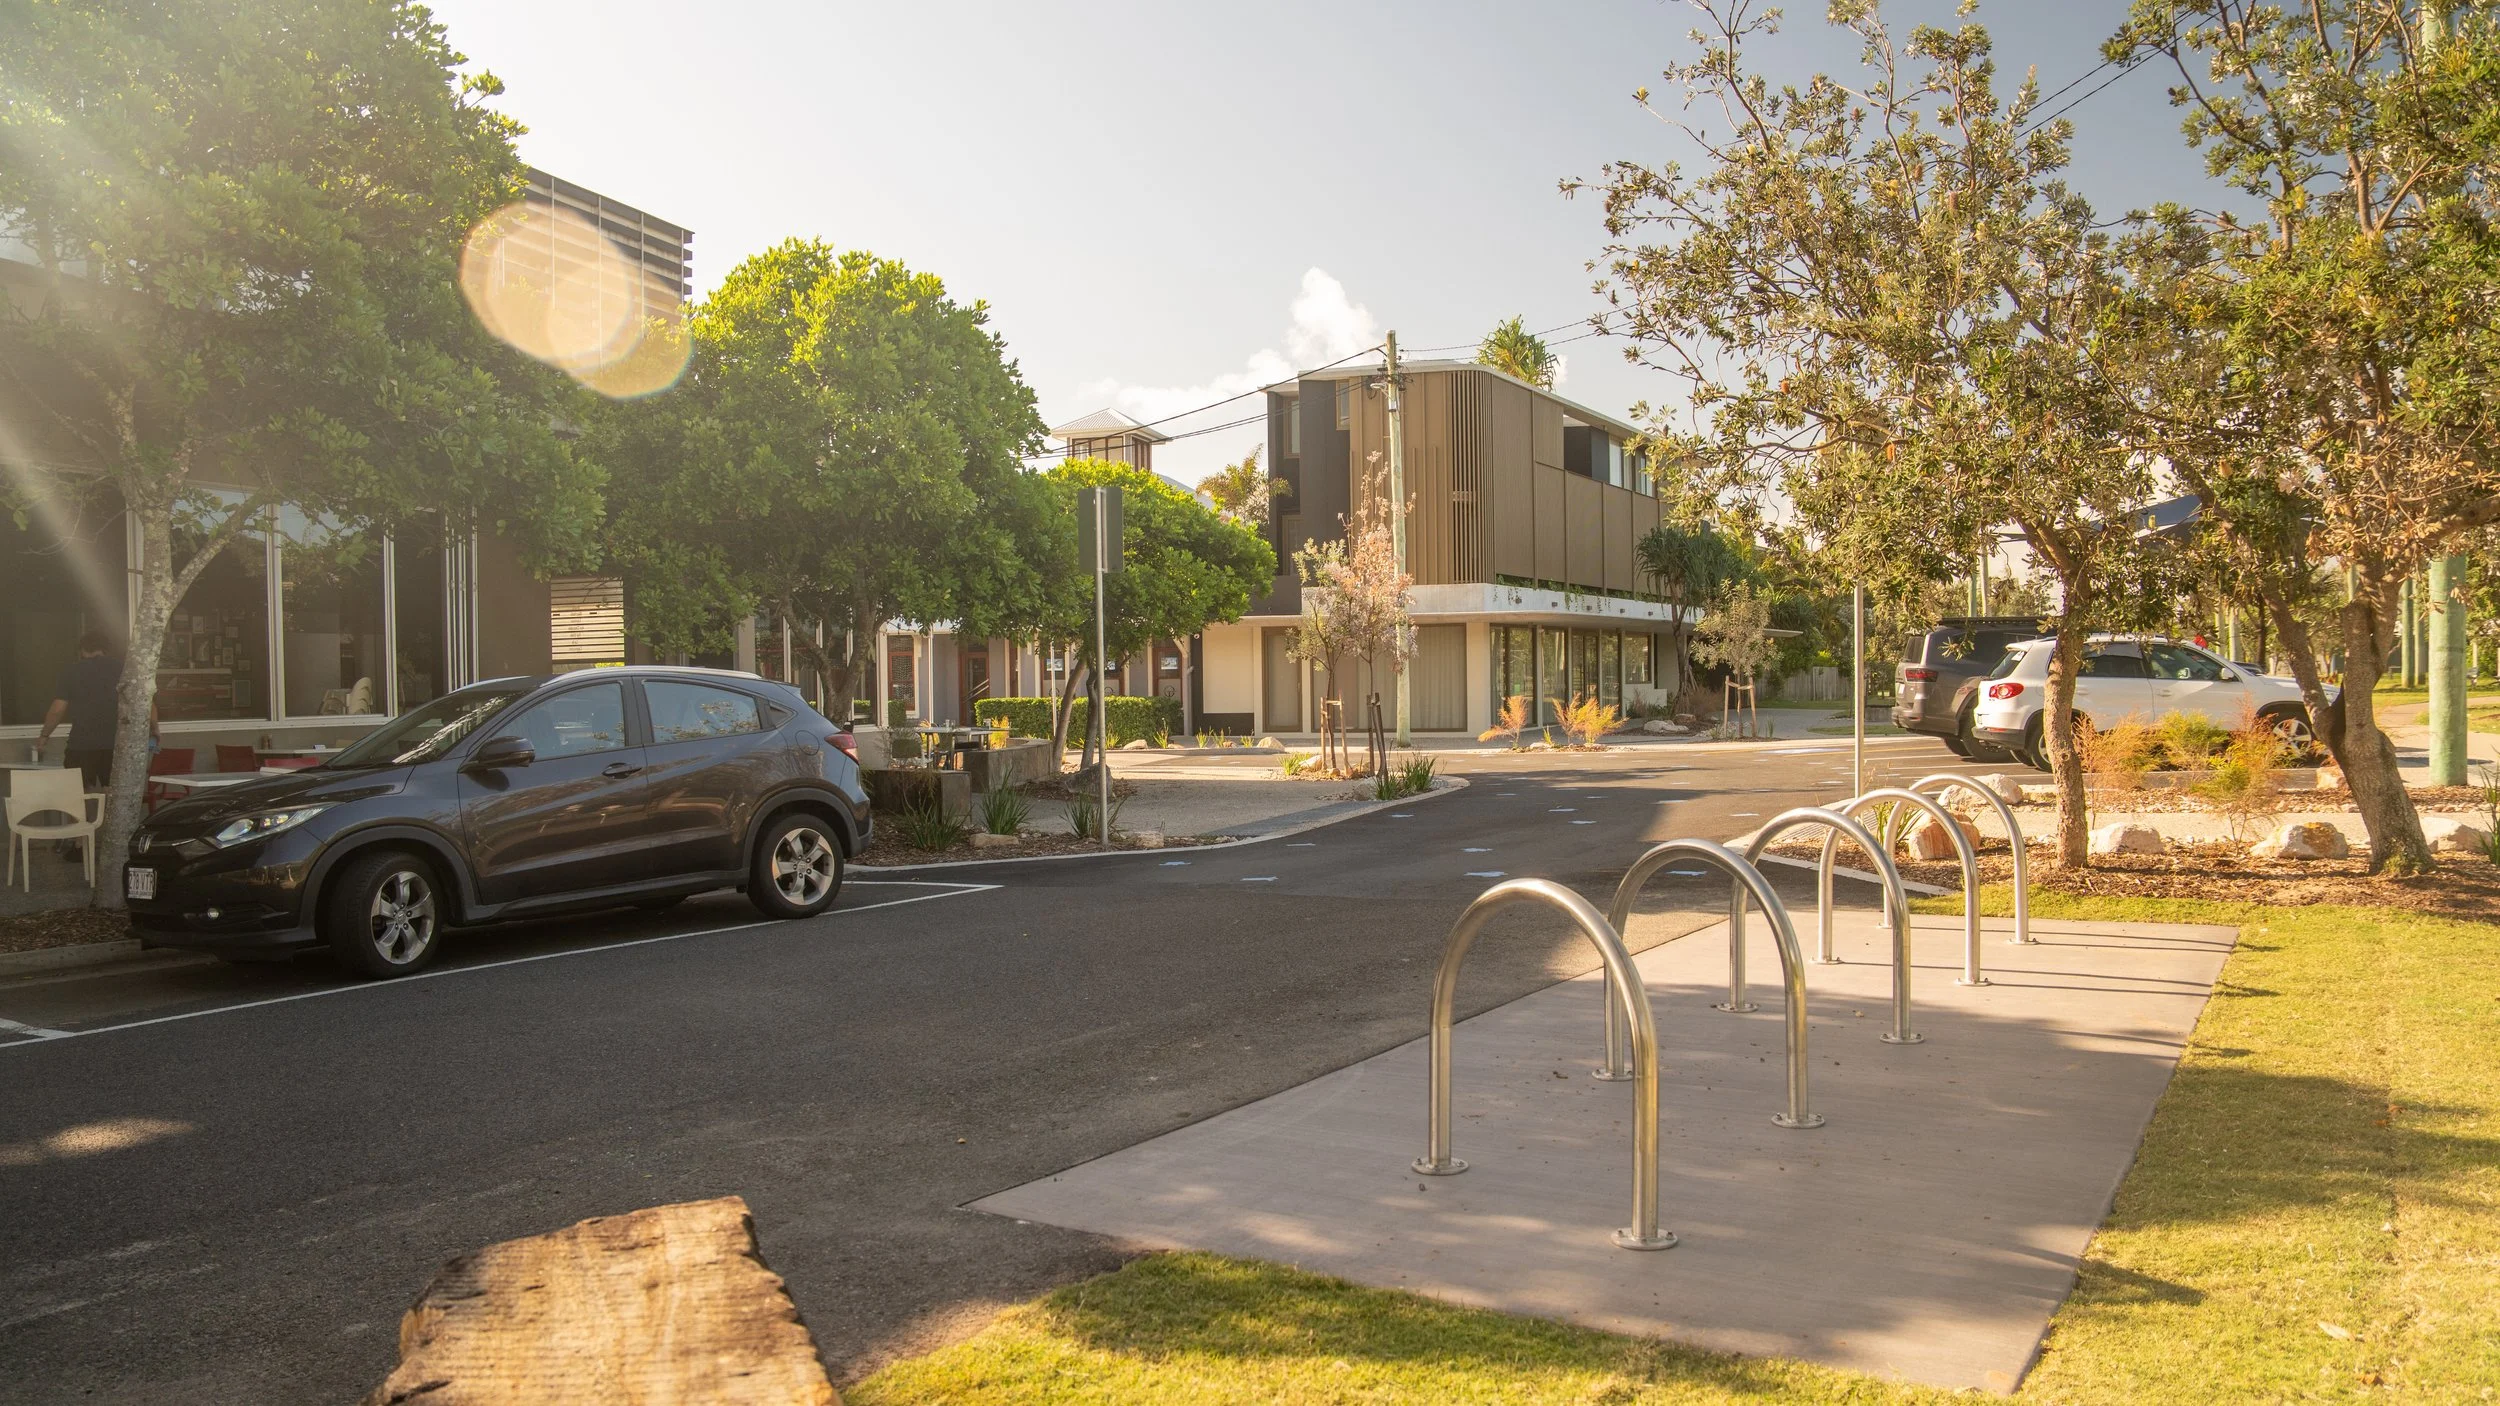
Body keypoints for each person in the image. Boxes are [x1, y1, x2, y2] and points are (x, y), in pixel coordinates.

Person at [36, 632, 154, 789]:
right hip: (115, 743)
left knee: (80, 793)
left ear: (82, 650)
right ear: (106, 649)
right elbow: (145, 701)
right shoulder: (124, 670)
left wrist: (44, 735)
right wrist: (155, 728)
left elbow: (57, 710)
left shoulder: (72, 672)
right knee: (111, 790)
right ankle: (106, 813)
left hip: (82, 744)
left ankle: (86, 814)